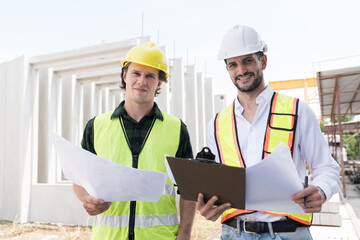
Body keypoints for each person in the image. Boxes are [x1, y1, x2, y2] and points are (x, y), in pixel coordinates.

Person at [196, 25, 340, 239]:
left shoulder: (297, 111)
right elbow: (218, 184)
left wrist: (322, 190)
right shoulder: (216, 123)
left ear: (262, 61)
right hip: (233, 233)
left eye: (248, 61)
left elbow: (327, 168)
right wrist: (207, 206)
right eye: (233, 64)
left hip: (287, 233)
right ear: (227, 69)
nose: (241, 70)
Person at [73, 42, 196, 240]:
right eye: (136, 73)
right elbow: (79, 178)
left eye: (150, 76)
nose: (142, 81)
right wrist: (86, 198)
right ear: (124, 75)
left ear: (159, 83)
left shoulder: (176, 129)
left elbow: (190, 188)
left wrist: (185, 234)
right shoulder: (96, 126)